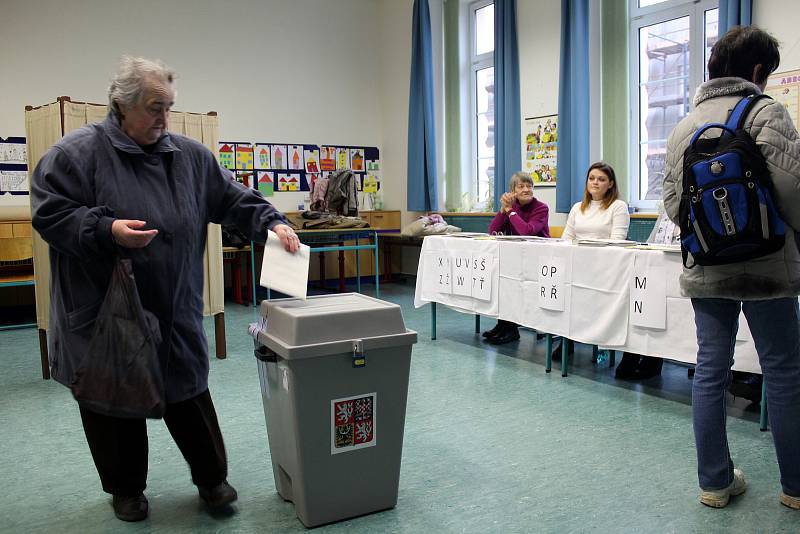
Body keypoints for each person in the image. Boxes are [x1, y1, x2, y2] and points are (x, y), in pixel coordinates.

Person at [30, 56, 301, 522]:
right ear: (122, 104)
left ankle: (212, 478)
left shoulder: (190, 157)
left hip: (175, 304)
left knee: (188, 392)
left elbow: (232, 198)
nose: (165, 119)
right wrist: (106, 229)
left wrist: (271, 221)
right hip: (105, 310)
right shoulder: (74, 155)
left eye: (170, 107)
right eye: (156, 108)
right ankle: (126, 490)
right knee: (114, 402)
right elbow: (50, 214)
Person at [662, 26, 800, 510]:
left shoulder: (683, 126)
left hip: (708, 268)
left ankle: (715, 483)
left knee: (710, 370)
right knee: (783, 371)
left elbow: (674, 205)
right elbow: (793, 192)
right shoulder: (767, 113)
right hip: (769, 264)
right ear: (758, 71)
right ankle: (795, 488)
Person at [553, 162, 630, 359]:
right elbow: (566, 238)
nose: (595, 182)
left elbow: (617, 242)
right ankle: (566, 339)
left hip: (604, 270)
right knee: (564, 293)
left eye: (601, 179)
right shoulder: (578, 208)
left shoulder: (618, 207)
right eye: (592, 178)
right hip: (577, 266)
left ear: (611, 184)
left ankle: (601, 345)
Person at [483, 172, 549, 344]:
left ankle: (511, 328)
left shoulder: (541, 208)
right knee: (500, 279)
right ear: (512, 190)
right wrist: (502, 210)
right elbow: (493, 231)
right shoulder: (512, 207)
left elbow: (527, 231)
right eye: (521, 186)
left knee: (510, 282)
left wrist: (510, 211)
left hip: (538, 259)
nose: (526, 189)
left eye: (529, 186)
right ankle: (503, 324)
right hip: (516, 257)